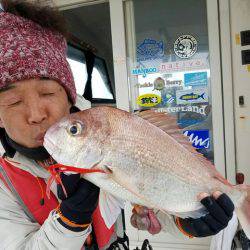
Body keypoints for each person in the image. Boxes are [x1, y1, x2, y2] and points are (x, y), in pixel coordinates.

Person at [0, 1, 235, 249]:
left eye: (47, 93)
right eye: (14, 101)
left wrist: (186, 223)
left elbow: (150, 195)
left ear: (70, 98)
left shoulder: (96, 141)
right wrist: (70, 221)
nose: (36, 114)